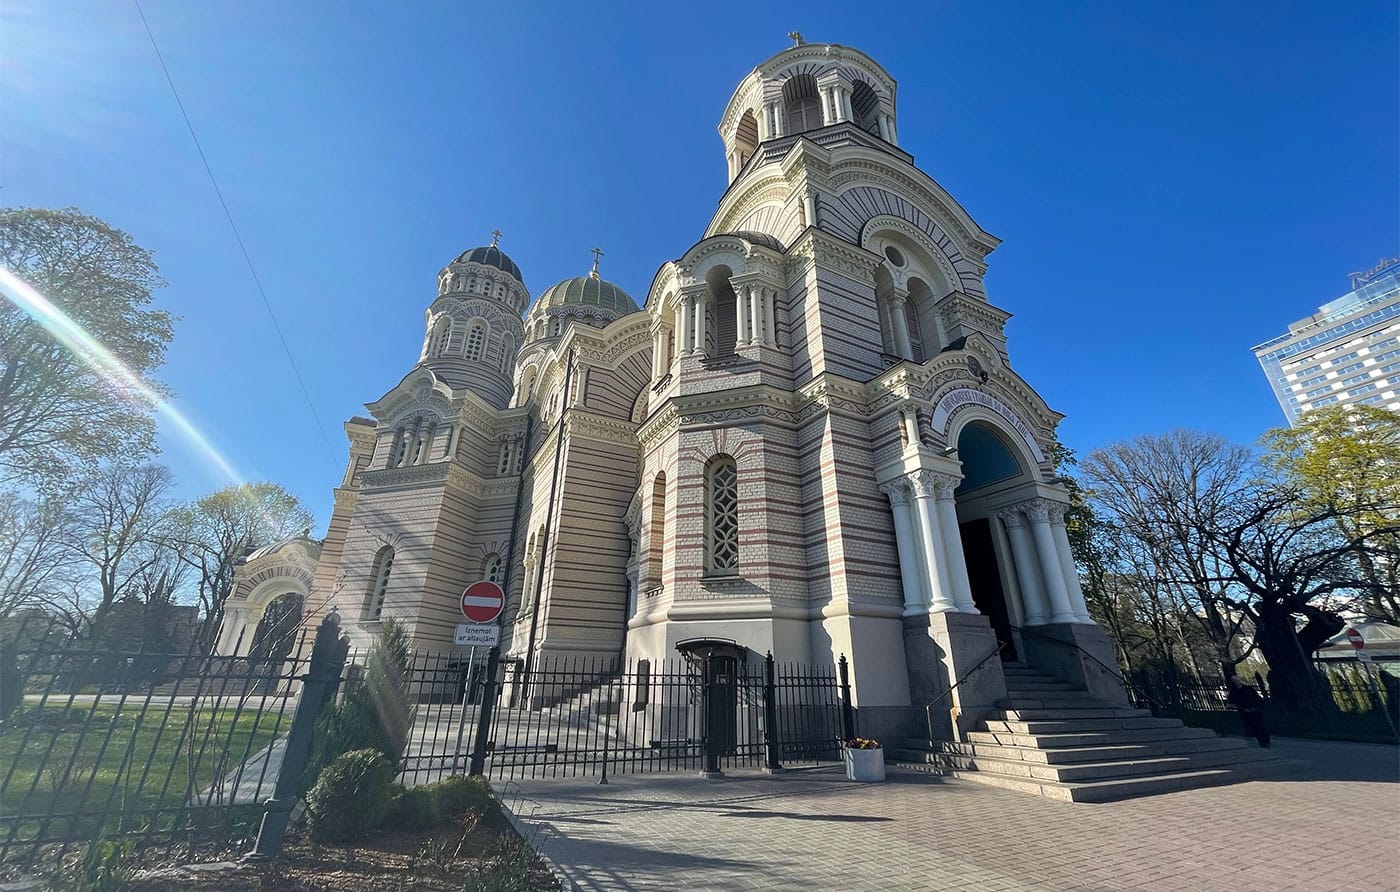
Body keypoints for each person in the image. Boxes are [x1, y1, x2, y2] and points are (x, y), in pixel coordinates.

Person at [1227, 674, 1271, 748]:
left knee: (1261, 726)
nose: (1236, 681)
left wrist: (1257, 706)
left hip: (1255, 710)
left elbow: (1257, 698)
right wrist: (1240, 708)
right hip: (1245, 712)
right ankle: (1261, 741)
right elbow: (1231, 703)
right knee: (1254, 727)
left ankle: (1266, 741)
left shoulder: (1249, 689)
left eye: (1237, 679)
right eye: (1234, 680)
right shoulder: (1233, 692)